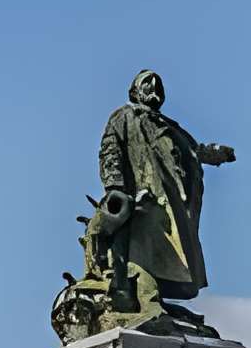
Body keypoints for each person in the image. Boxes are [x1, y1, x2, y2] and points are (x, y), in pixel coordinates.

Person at [97, 69, 234, 318]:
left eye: (157, 85)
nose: (153, 89)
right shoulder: (124, 117)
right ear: (135, 90)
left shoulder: (169, 126)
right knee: (144, 249)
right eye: (147, 84)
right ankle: (137, 297)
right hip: (145, 198)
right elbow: (110, 151)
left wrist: (216, 153)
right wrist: (115, 187)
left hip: (172, 199)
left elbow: (193, 150)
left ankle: (153, 298)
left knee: (172, 249)